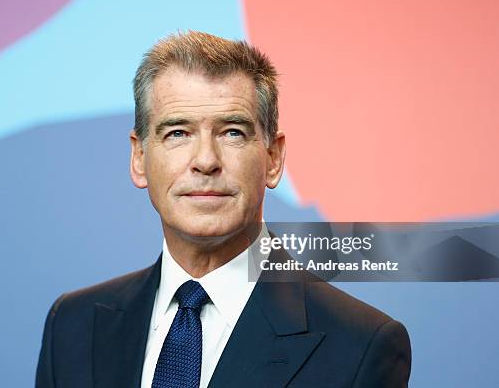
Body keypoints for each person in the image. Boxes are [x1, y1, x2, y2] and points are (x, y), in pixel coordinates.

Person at [35, 31, 411, 387]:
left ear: (273, 158)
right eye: (177, 133)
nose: (205, 161)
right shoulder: (72, 325)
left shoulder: (361, 344)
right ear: (139, 158)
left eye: (232, 132)